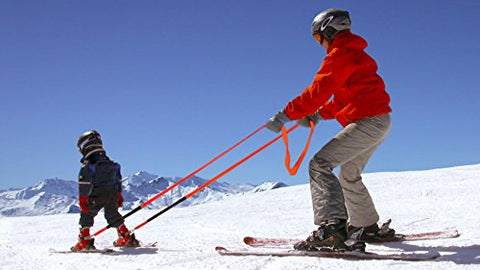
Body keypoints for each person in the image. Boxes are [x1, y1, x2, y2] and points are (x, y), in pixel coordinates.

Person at [266, 8, 395, 252]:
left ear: (328, 31)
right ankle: (366, 226)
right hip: (379, 120)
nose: (320, 43)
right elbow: (343, 98)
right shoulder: (354, 54)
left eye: (318, 37)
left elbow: (318, 90)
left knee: (319, 164)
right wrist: (316, 115)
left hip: (368, 122)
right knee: (349, 174)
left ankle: (333, 231)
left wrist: (286, 114)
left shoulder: (339, 55)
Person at [71, 130, 140, 251]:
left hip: (96, 194)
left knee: (87, 214)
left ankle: (84, 239)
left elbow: (85, 184)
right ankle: (125, 236)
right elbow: (118, 179)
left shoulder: (88, 166)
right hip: (112, 193)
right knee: (112, 214)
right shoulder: (112, 164)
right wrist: (118, 194)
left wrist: (83, 199)